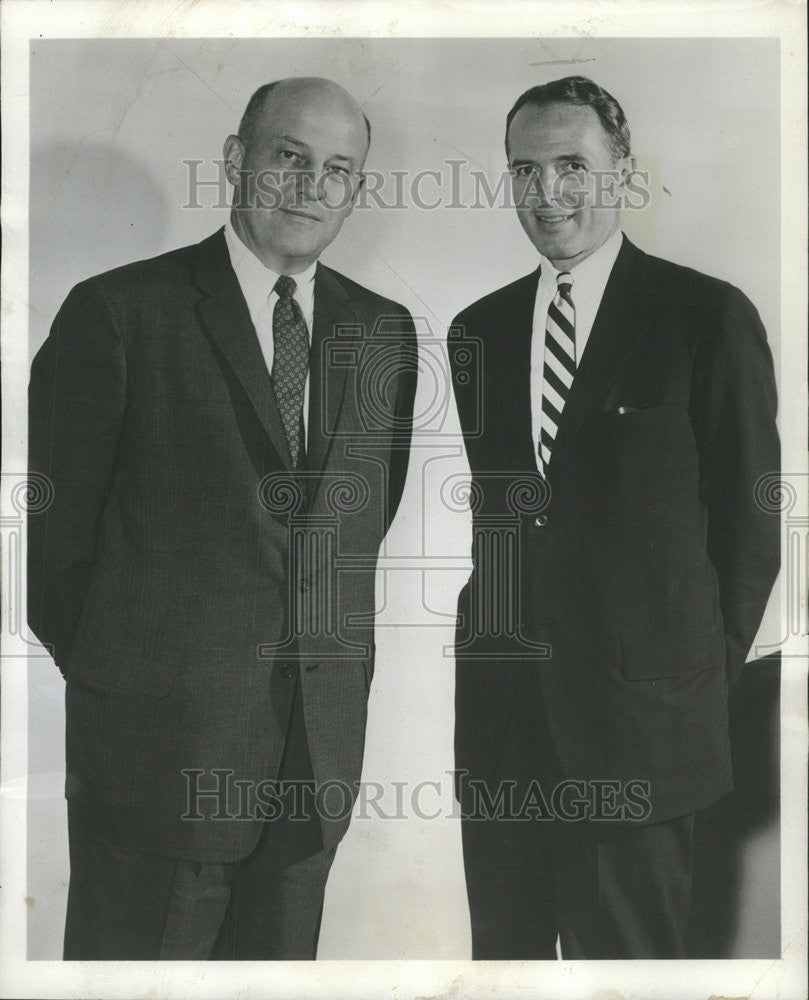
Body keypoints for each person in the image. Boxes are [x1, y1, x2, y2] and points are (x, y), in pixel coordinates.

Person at [28, 76, 417, 960]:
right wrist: (131, 681)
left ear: (355, 190)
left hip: (311, 764)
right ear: (237, 161)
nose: (311, 186)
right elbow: (52, 548)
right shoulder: (120, 313)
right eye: (289, 157)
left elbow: (354, 531)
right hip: (152, 765)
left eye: (337, 169)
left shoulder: (384, 332)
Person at [449, 75, 780, 960]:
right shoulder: (474, 331)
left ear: (622, 173)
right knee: (504, 968)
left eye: (571, 165)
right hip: (504, 735)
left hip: (643, 739)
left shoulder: (703, 315)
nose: (545, 192)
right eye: (523, 169)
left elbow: (752, 532)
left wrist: (682, 684)